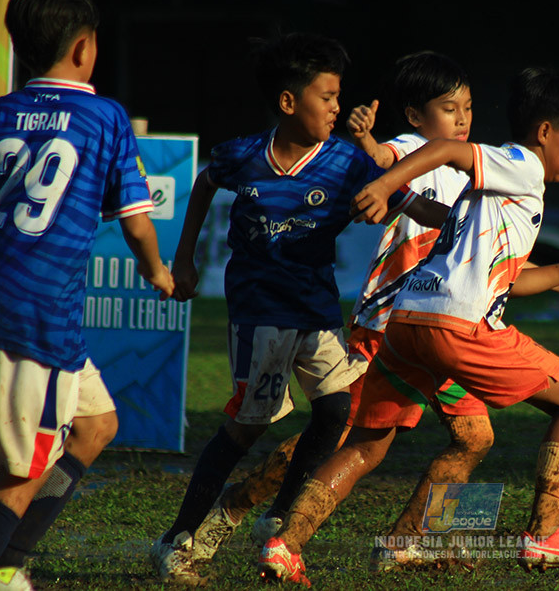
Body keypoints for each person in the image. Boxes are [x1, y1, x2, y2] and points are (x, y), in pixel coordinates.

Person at [188, 52, 559, 572]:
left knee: (470, 438)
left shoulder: (482, 168)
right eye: (449, 108)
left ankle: (411, 538)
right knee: (336, 434)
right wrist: (374, 155)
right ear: (414, 116)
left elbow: (478, 248)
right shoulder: (425, 149)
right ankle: (245, 509)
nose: (461, 118)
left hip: (422, 319)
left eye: (469, 107)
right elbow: (391, 161)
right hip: (388, 323)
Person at [149, 32, 422, 584]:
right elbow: (203, 186)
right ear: (288, 102)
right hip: (259, 313)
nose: (336, 107)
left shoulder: (347, 162)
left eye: (338, 95)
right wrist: (183, 262)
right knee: (247, 428)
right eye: (327, 96)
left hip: (317, 309)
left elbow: (407, 201)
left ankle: (276, 514)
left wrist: (458, 214)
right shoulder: (243, 155)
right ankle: (175, 540)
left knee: (335, 408)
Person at [0, 0, 174, 590]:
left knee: (96, 425)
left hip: (13, 308)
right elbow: (136, 223)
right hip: (37, 316)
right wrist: (158, 272)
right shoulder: (104, 115)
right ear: (84, 48)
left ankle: (4, 566)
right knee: (23, 469)